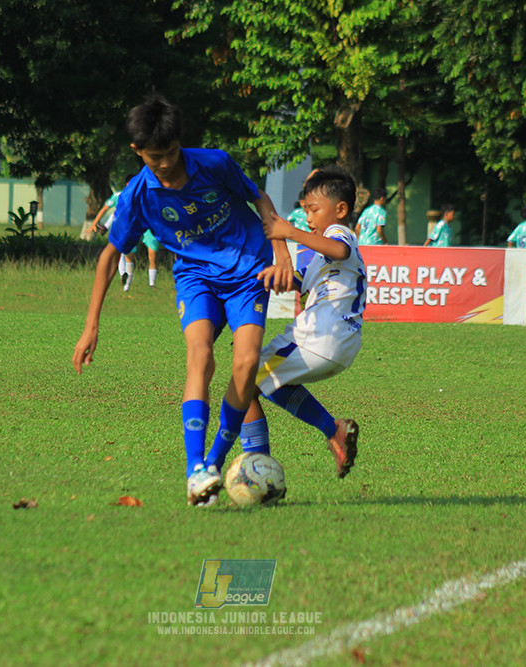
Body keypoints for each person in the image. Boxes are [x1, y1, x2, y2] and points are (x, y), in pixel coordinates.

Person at [71, 93, 293, 506]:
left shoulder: (214, 163)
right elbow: (109, 256)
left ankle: (212, 463)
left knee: (245, 365)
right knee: (201, 354)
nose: (166, 163)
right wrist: (91, 325)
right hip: (195, 278)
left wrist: (281, 253)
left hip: (247, 270)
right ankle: (196, 471)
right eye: (155, 156)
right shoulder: (138, 195)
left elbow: (259, 198)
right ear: (138, 151)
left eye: (171, 152)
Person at [203, 166, 364, 479]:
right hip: (337, 343)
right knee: (265, 381)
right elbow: (300, 278)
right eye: (305, 211)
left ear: (340, 210)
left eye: (314, 210)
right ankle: (332, 431)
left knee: (243, 384)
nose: (308, 218)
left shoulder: (338, 234)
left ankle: (259, 470)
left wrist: (289, 232)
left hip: (319, 338)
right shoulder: (319, 255)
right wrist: (275, 276)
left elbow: (340, 249)